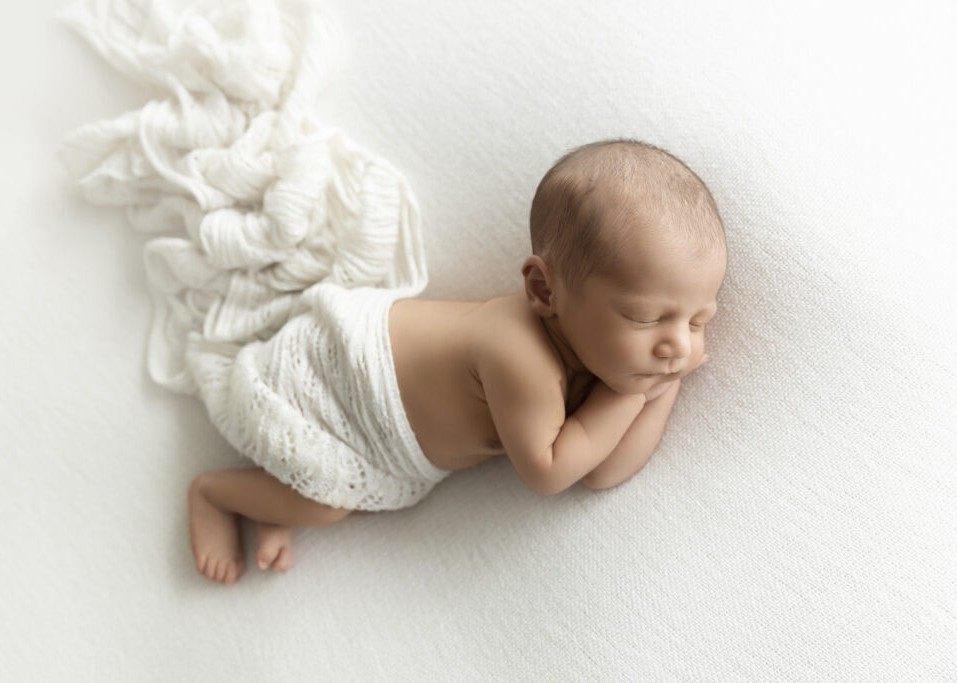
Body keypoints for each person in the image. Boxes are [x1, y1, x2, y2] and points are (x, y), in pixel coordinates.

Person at [186, 138, 727, 584]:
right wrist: (636, 393)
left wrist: (662, 386)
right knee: (327, 506)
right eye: (645, 317)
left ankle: (280, 495)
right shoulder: (516, 352)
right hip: (336, 386)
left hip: (376, 423)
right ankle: (218, 495)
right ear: (545, 290)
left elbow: (602, 470)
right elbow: (551, 471)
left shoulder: (597, 355)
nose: (678, 346)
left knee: (321, 494)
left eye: (697, 321)